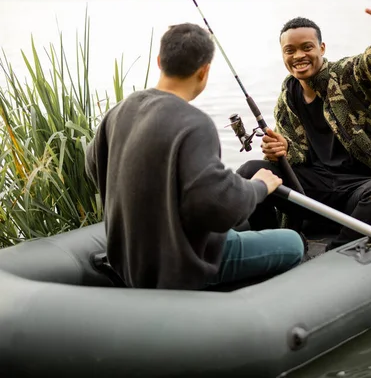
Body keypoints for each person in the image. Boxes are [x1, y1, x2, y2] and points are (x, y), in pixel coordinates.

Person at [85, 23, 304, 291]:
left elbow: (93, 165)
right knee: (293, 242)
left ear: (159, 62)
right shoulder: (195, 123)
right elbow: (220, 207)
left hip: (130, 259)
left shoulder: (118, 111)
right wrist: (260, 186)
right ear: (204, 71)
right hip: (183, 264)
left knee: (243, 228)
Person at [237, 0, 371, 250]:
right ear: (283, 55)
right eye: (290, 50)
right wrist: (282, 150)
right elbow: (293, 156)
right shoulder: (287, 98)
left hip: (357, 189)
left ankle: (339, 251)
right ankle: (273, 243)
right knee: (249, 172)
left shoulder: (349, 77)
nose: (298, 55)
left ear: (321, 48)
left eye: (306, 47)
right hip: (312, 190)